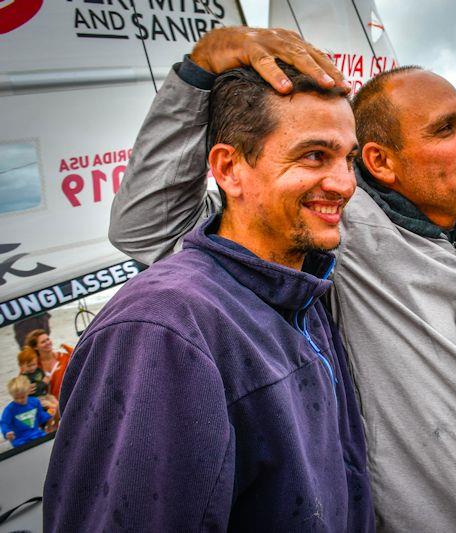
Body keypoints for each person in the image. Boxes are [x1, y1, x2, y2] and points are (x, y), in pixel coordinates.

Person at [107, 27, 456, 531]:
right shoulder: (337, 231)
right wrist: (197, 73)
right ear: (381, 161)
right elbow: (147, 226)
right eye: (445, 128)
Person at [44, 64, 374, 530]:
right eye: (315, 156)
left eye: (348, 158)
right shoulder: (162, 328)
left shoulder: (303, 291)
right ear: (229, 168)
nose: (345, 184)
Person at [1, 376, 52, 448]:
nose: (19, 400)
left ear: (28, 392)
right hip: (20, 440)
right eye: (16, 398)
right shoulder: (9, 409)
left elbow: (41, 417)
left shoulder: (35, 402)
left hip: (37, 434)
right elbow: (4, 423)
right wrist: (7, 433)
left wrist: (49, 413)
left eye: (22, 397)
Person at [25, 329, 72, 400]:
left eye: (48, 339)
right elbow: (20, 385)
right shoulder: (31, 365)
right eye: (43, 342)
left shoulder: (64, 356)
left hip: (71, 398)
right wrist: (25, 389)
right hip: (48, 405)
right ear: (35, 347)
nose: (48, 343)